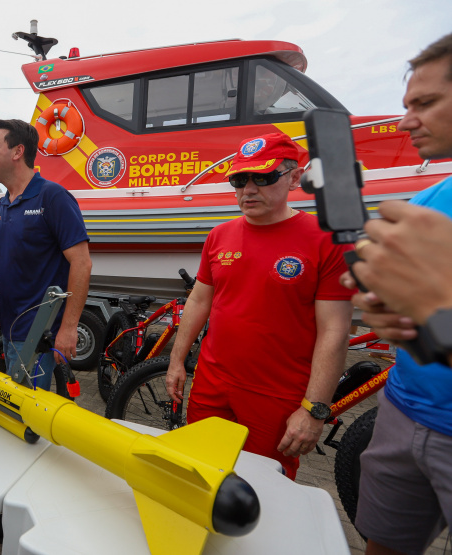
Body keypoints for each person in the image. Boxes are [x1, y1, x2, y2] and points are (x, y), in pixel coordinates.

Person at [164, 132, 353, 480]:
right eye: (239, 179)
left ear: (295, 177)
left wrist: (314, 410)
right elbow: (199, 300)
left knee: (262, 487)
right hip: (212, 383)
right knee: (199, 472)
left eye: (263, 178)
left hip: (277, 394)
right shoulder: (219, 235)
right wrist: (177, 361)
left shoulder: (325, 240)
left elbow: (335, 330)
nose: (248, 189)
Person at [343, 33, 452, 555]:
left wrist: (441, 317)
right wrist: (386, 309)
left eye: (425, 103)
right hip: (403, 412)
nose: (407, 122)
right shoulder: (428, 201)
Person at [0, 119, 91, 389]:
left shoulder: (53, 197)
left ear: (17, 152)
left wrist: (69, 327)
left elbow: (82, 263)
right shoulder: (0, 206)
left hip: (40, 334)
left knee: (29, 417)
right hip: (11, 329)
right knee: (19, 407)